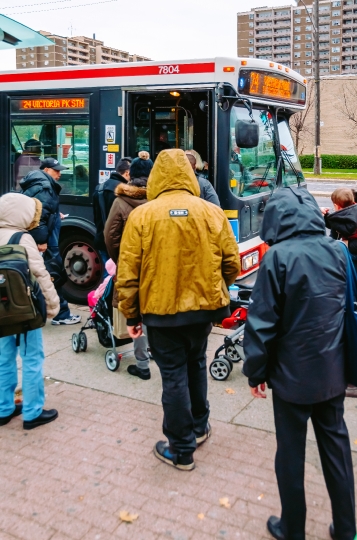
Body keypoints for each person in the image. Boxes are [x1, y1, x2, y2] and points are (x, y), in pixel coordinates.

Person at [242, 186, 356, 540]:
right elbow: (348, 310)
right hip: (332, 373)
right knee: (337, 450)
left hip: (291, 378)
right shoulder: (338, 250)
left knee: (290, 454)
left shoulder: (277, 257)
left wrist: (255, 371)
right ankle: (348, 528)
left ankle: (292, 528)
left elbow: (261, 322)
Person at [117, 149, 240, 470]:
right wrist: (216, 286)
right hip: (203, 311)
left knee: (172, 376)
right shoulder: (212, 213)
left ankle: (181, 448)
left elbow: (128, 273)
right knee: (196, 364)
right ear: (190, 174)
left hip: (160, 312)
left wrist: (131, 315)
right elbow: (232, 264)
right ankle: (200, 426)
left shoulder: (141, 216)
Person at [0, 193, 60, 430]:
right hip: (25, 310)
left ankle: (4, 409)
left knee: (3, 358)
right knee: (32, 357)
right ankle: (32, 412)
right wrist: (53, 306)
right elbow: (40, 275)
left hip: (1, 310)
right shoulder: (22, 238)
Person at [104, 152, 153, 380]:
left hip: (130, 266)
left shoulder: (121, 201)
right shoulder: (158, 200)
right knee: (153, 309)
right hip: (155, 267)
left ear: (129, 175)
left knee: (135, 313)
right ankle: (155, 352)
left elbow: (110, 236)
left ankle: (142, 364)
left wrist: (120, 260)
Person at [20, 157, 81, 326]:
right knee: (53, 274)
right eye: (56, 170)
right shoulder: (45, 187)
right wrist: (41, 241)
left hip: (42, 237)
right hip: (46, 240)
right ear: (46, 170)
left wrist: (55, 216)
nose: (59, 174)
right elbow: (39, 217)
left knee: (39, 274)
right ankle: (60, 314)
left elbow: (41, 211)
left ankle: (35, 310)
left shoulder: (37, 183)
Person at [93, 159, 131, 267]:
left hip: (102, 240)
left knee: (108, 274)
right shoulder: (125, 191)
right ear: (127, 173)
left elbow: (96, 217)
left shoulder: (99, 188)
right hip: (119, 242)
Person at [321, 188, 357, 271]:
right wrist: (328, 217)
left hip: (353, 250)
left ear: (337, 206)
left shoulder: (339, 219)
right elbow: (336, 225)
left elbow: (334, 235)